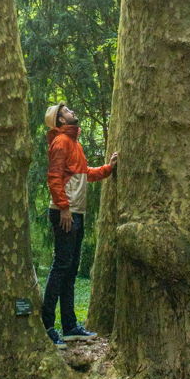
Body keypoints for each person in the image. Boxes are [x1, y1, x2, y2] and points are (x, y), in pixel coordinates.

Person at [41, 103, 118, 347]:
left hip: (75, 213)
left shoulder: (74, 143)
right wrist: (63, 206)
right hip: (66, 213)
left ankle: (70, 326)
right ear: (61, 121)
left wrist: (108, 169)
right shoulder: (61, 142)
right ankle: (47, 327)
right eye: (67, 111)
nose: (72, 111)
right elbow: (54, 176)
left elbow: (84, 173)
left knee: (71, 270)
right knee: (60, 268)